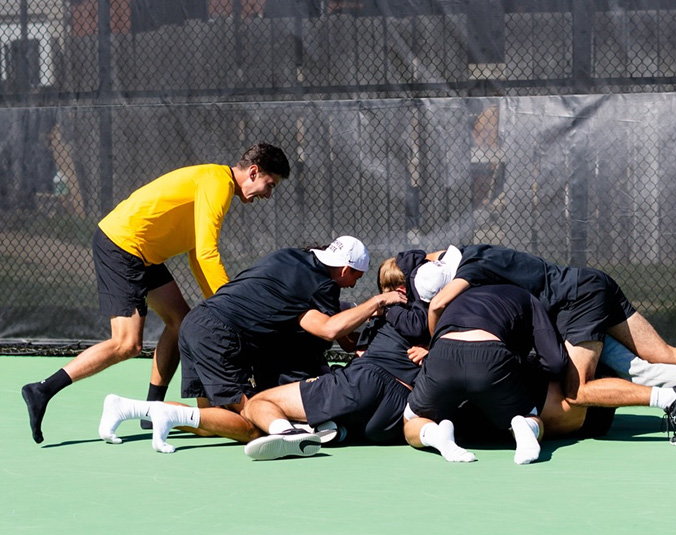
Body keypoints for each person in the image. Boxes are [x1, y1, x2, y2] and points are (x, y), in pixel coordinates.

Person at [21, 143, 291, 444]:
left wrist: (217, 303)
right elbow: (206, 253)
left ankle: (152, 410)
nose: (268, 195)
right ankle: (42, 389)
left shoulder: (218, 185)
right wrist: (231, 307)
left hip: (143, 252)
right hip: (122, 245)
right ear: (253, 172)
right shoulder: (218, 183)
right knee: (127, 343)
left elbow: (195, 254)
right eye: (269, 185)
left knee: (181, 321)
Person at [415, 244, 676, 445]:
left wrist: (434, 343)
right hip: (592, 285)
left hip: (577, 303)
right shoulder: (479, 253)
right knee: (658, 356)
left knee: (578, 390)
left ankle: (675, 398)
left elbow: (438, 303)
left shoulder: (473, 268)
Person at [98, 236, 407, 454]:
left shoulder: (291, 257)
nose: (353, 284)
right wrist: (377, 301)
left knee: (213, 424)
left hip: (197, 323)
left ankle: (137, 409)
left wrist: (361, 342)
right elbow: (327, 329)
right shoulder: (323, 285)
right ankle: (292, 435)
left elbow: (328, 326)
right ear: (345, 270)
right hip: (220, 337)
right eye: (356, 276)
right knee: (252, 422)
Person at [238, 255, 431, 460]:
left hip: (365, 382)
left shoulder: (391, 308)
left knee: (258, 403)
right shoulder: (434, 314)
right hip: (396, 411)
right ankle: (328, 431)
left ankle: (289, 434)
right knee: (341, 415)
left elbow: (334, 333)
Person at [403, 284, 570, 465]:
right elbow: (555, 363)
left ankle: (436, 435)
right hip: (491, 356)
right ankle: (525, 427)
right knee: (531, 417)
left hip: (443, 354)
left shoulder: (459, 293)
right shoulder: (528, 296)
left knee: (412, 419)